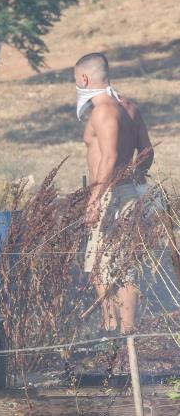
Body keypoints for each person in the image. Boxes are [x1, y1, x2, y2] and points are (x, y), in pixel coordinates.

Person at [75, 52, 154, 335]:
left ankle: (115, 332)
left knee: (104, 265)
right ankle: (122, 334)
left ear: (84, 79)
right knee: (119, 263)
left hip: (109, 195)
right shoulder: (129, 107)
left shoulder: (103, 110)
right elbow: (146, 152)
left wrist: (96, 200)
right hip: (125, 191)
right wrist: (134, 177)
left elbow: (108, 158)